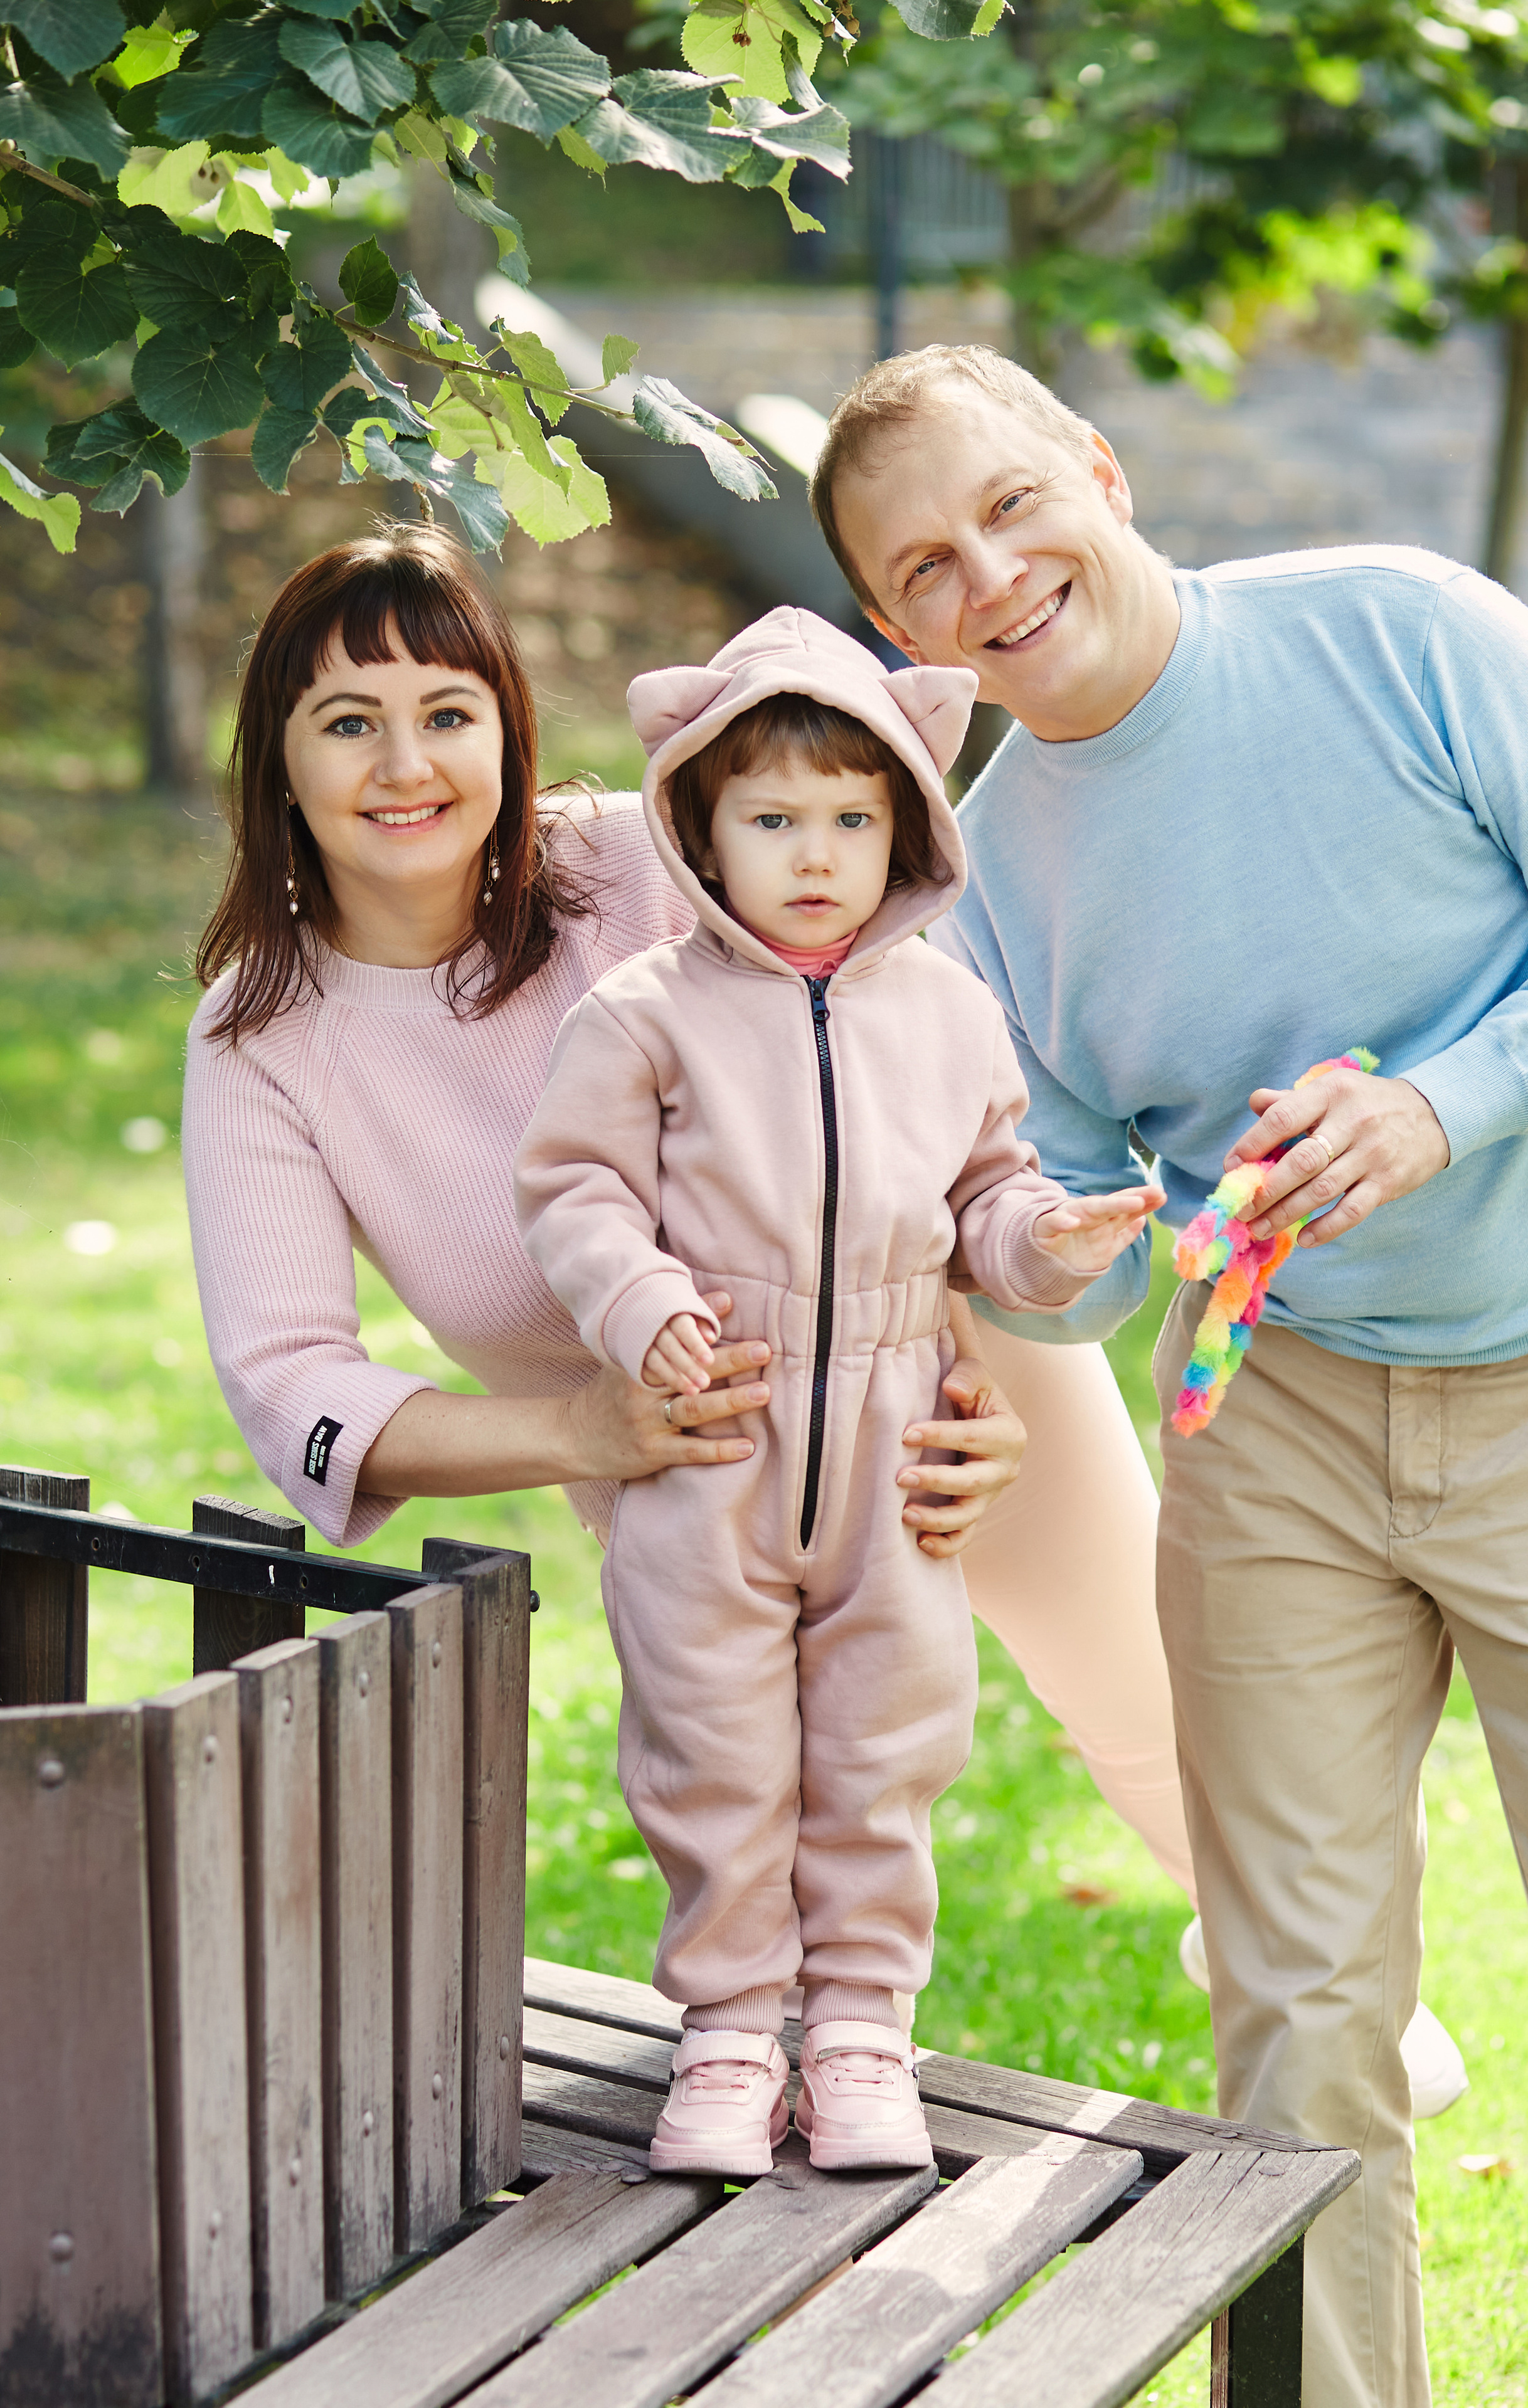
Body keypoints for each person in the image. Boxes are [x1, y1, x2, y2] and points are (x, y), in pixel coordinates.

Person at [809, 342, 1528, 2408]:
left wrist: (1440, 1105)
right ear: (899, 631)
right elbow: (1067, 1241)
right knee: (1298, 2021)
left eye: (1009, 506)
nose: (991, 577)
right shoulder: (984, 891)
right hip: (1280, 1425)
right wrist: (1042, 1257)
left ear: (1100, 466)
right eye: (925, 570)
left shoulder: (1401, 635)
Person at [181, 522, 1194, 1925]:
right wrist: (582, 1434)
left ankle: (1343, 2039)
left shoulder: (649, 862)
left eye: (448, 715)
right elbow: (294, 1385)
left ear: (509, 731)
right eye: (349, 723)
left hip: (937, 1388)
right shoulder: (263, 1041)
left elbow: (904, 1077)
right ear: (279, 763)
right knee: (760, 1847)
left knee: (1165, 1735)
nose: (406, 766)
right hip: (694, 1478)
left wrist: (972, 1382)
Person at [515, 610, 1162, 2175]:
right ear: (700, 832)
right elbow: (573, 1193)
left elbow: (985, 1195)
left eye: (852, 822)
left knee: (886, 1738)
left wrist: (1044, 1241)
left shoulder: (945, 1012)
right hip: (714, 1438)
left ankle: (864, 2028)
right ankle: (731, 2033)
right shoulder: (643, 1013)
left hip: (891, 1433)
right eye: (771, 820)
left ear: (906, 832)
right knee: (711, 1744)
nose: (814, 855)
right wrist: (642, 1300)